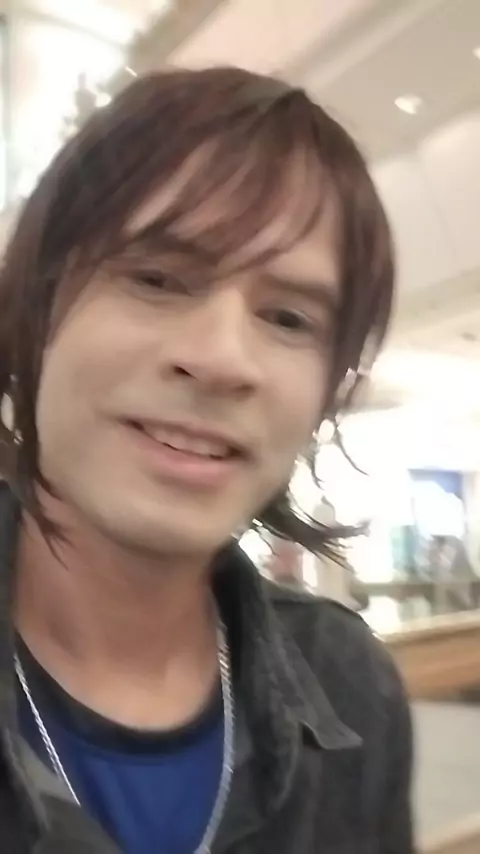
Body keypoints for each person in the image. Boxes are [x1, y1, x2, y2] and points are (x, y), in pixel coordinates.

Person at [0, 67, 413, 853]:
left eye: (288, 319)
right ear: (35, 302)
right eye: (157, 278)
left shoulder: (348, 684)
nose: (223, 359)